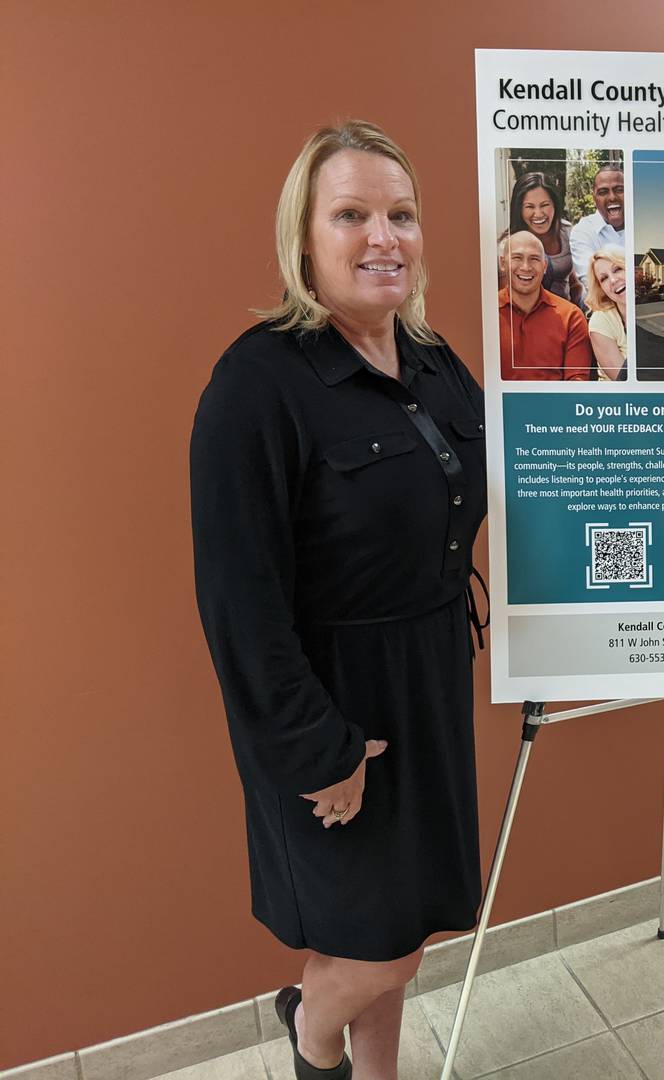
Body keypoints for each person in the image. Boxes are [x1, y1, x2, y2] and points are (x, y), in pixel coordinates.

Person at [190, 121, 489, 1080]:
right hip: (332, 706)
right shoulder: (258, 383)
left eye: (400, 214)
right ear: (305, 238)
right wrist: (318, 749)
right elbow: (240, 600)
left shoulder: (435, 359)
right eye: (352, 214)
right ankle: (310, 1035)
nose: (382, 237)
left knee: (405, 923)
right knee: (377, 943)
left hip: (428, 683)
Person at [498, 231, 594, 380]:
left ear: (544, 266)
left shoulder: (571, 317)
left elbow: (577, 385)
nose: (526, 267)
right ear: (503, 263)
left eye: (534, 259)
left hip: (555, 404)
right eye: (517, 257)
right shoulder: (484, 315)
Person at [504, 171, 584, 306]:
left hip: (567, 312)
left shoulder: (567, 232)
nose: (538, 214)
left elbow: (573, 281)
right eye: (529, 207)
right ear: (519, 209)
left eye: (545, 205)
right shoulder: (508, 245)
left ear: (555, 205)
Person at [569, 159, 625, 285]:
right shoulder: (583, 231)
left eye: (619, 190)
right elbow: (592, 283)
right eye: (603, 192)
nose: (612, 197)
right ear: (594, 199)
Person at [585, 245, 629, 380]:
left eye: (617, 269)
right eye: (604, 278)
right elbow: (623, 380)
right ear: (601, 288)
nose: (613, 280)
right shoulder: (601, 321)